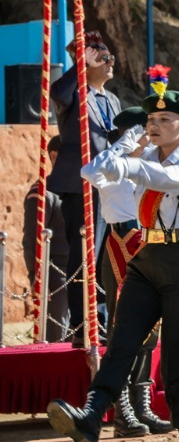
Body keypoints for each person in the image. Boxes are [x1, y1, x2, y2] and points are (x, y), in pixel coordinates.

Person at [47, 68, 179, 442]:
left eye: (163, 120)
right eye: (150, 121)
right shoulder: (141, 155)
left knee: (176, 364)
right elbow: (91, 173)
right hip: (147, 255)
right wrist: (126, 144)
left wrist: (132, 165)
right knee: (122, 341)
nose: (153, 126)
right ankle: (91, 415)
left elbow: (169, 180)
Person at [87, 106, 171, 438]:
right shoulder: (110, 165)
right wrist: (124, 142)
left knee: (151, 330)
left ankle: (142, 403)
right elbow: (89, 171)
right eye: (144, 128)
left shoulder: (151, 161)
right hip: (120, 242)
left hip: (150, 240)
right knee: (124, 327)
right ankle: (121, 408)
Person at [47, 30, 121, 342]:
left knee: (106, 258)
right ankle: (82, 325)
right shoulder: (76, 92)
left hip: (110, 187)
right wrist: (79, 64)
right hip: (81, 187)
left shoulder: (112, 99)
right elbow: (57, 92)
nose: (110, 62)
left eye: (111, 57)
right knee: (84, 256)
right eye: (103, 58)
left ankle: (103, 323)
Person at [23, 136, 69, 342]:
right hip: (54, 273)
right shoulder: (42, 193)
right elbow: (32, 240)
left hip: (77, 269)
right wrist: (37, 277)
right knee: (55, 334)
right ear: (54, 156)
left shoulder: (79, 191)